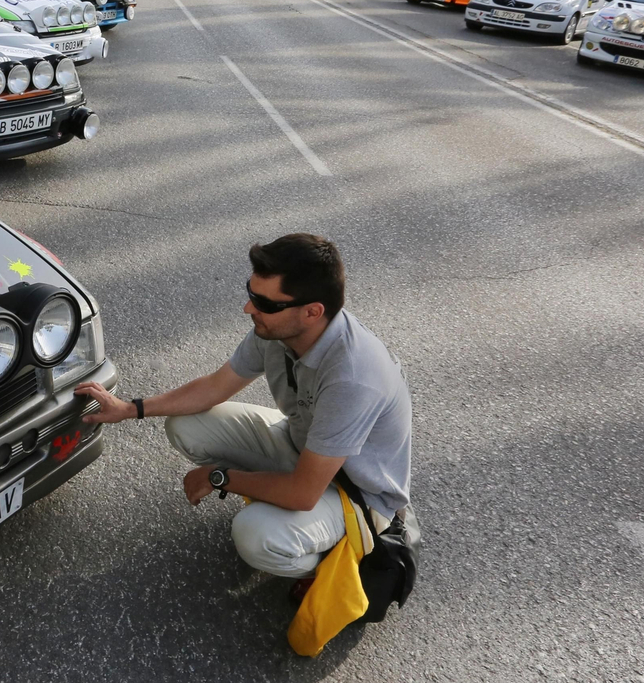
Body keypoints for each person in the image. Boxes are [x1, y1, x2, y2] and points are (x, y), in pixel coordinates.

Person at [76, 234, 417, 602]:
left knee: (256, 536)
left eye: (264, 303)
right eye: (251, 293)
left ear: (312, 311)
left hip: (353, 492)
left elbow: (303, 493)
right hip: (304, 446)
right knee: (186, 426)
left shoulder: (352, 377)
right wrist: (130, 408)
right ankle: (279, 501)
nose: (248, 309)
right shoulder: (278, 329)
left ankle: (328, 559)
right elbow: (214, 387)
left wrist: (219, 477)